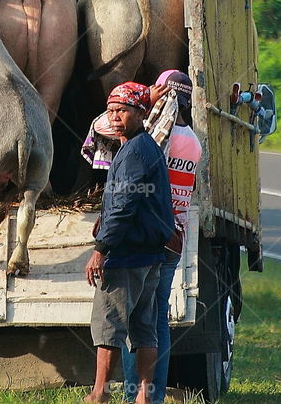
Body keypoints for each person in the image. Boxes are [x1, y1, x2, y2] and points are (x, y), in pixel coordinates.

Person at [85, 82, 174, 404]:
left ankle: (99, 394)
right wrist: (105, 213)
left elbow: (125, 204)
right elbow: (124, 200)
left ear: (141, 112)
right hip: (149, 255)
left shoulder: (135, 151)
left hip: (127, 256)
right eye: (111, 111)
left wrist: (100, 250)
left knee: (109, 328)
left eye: (122, 111)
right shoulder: (143, 146)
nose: (115, 117)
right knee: (144, 329)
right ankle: (144, 397)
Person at [120, 71, 201, 403]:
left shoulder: (155, 137)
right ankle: (151, 397)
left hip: (147, 238)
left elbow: (122, 146)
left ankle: (131, 395)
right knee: (159, 322)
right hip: (174, 238)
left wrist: (144, 103)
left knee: (133, 323)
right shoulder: (194, 143)